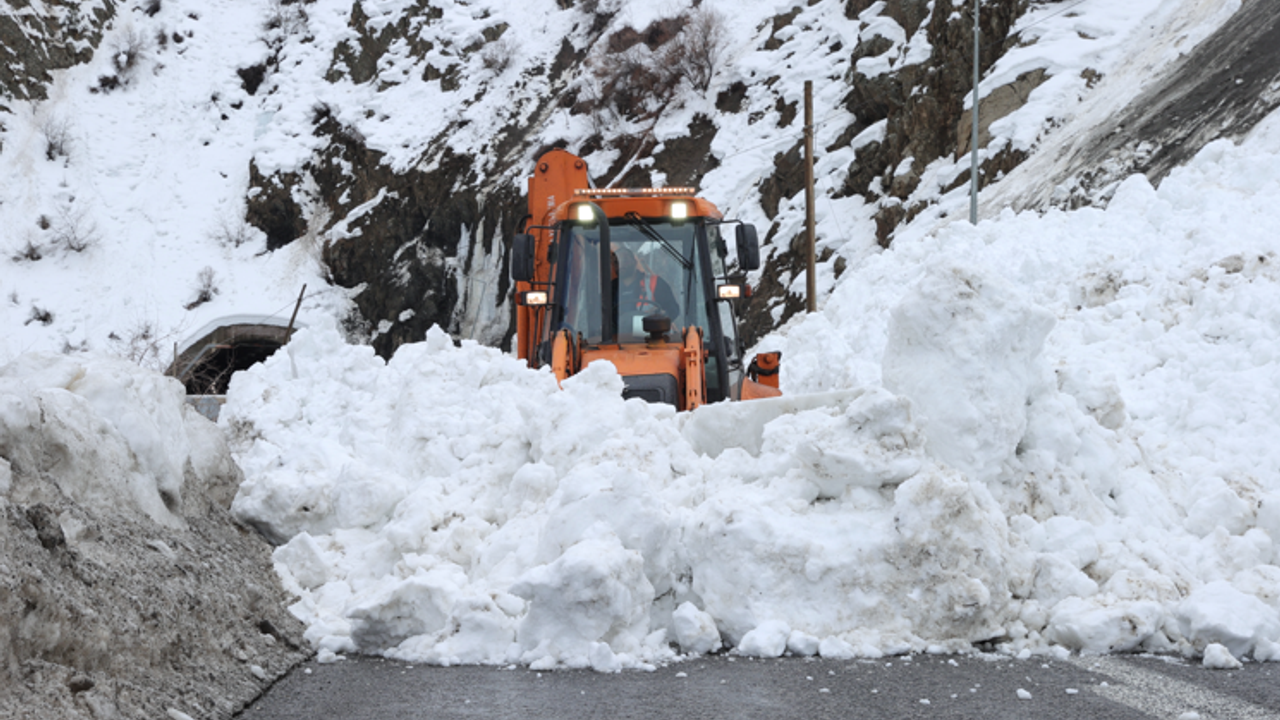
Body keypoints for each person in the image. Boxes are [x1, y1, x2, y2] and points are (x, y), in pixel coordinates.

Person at [613, 247, 679, 331]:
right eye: (616, 261)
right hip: (617, 341)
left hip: (653, 339)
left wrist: (662, 315)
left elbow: (673, 309)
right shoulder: (609, 289)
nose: (621, 263)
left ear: (635, 262)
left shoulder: (655, 283)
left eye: (625, 259)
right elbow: (597, 317)